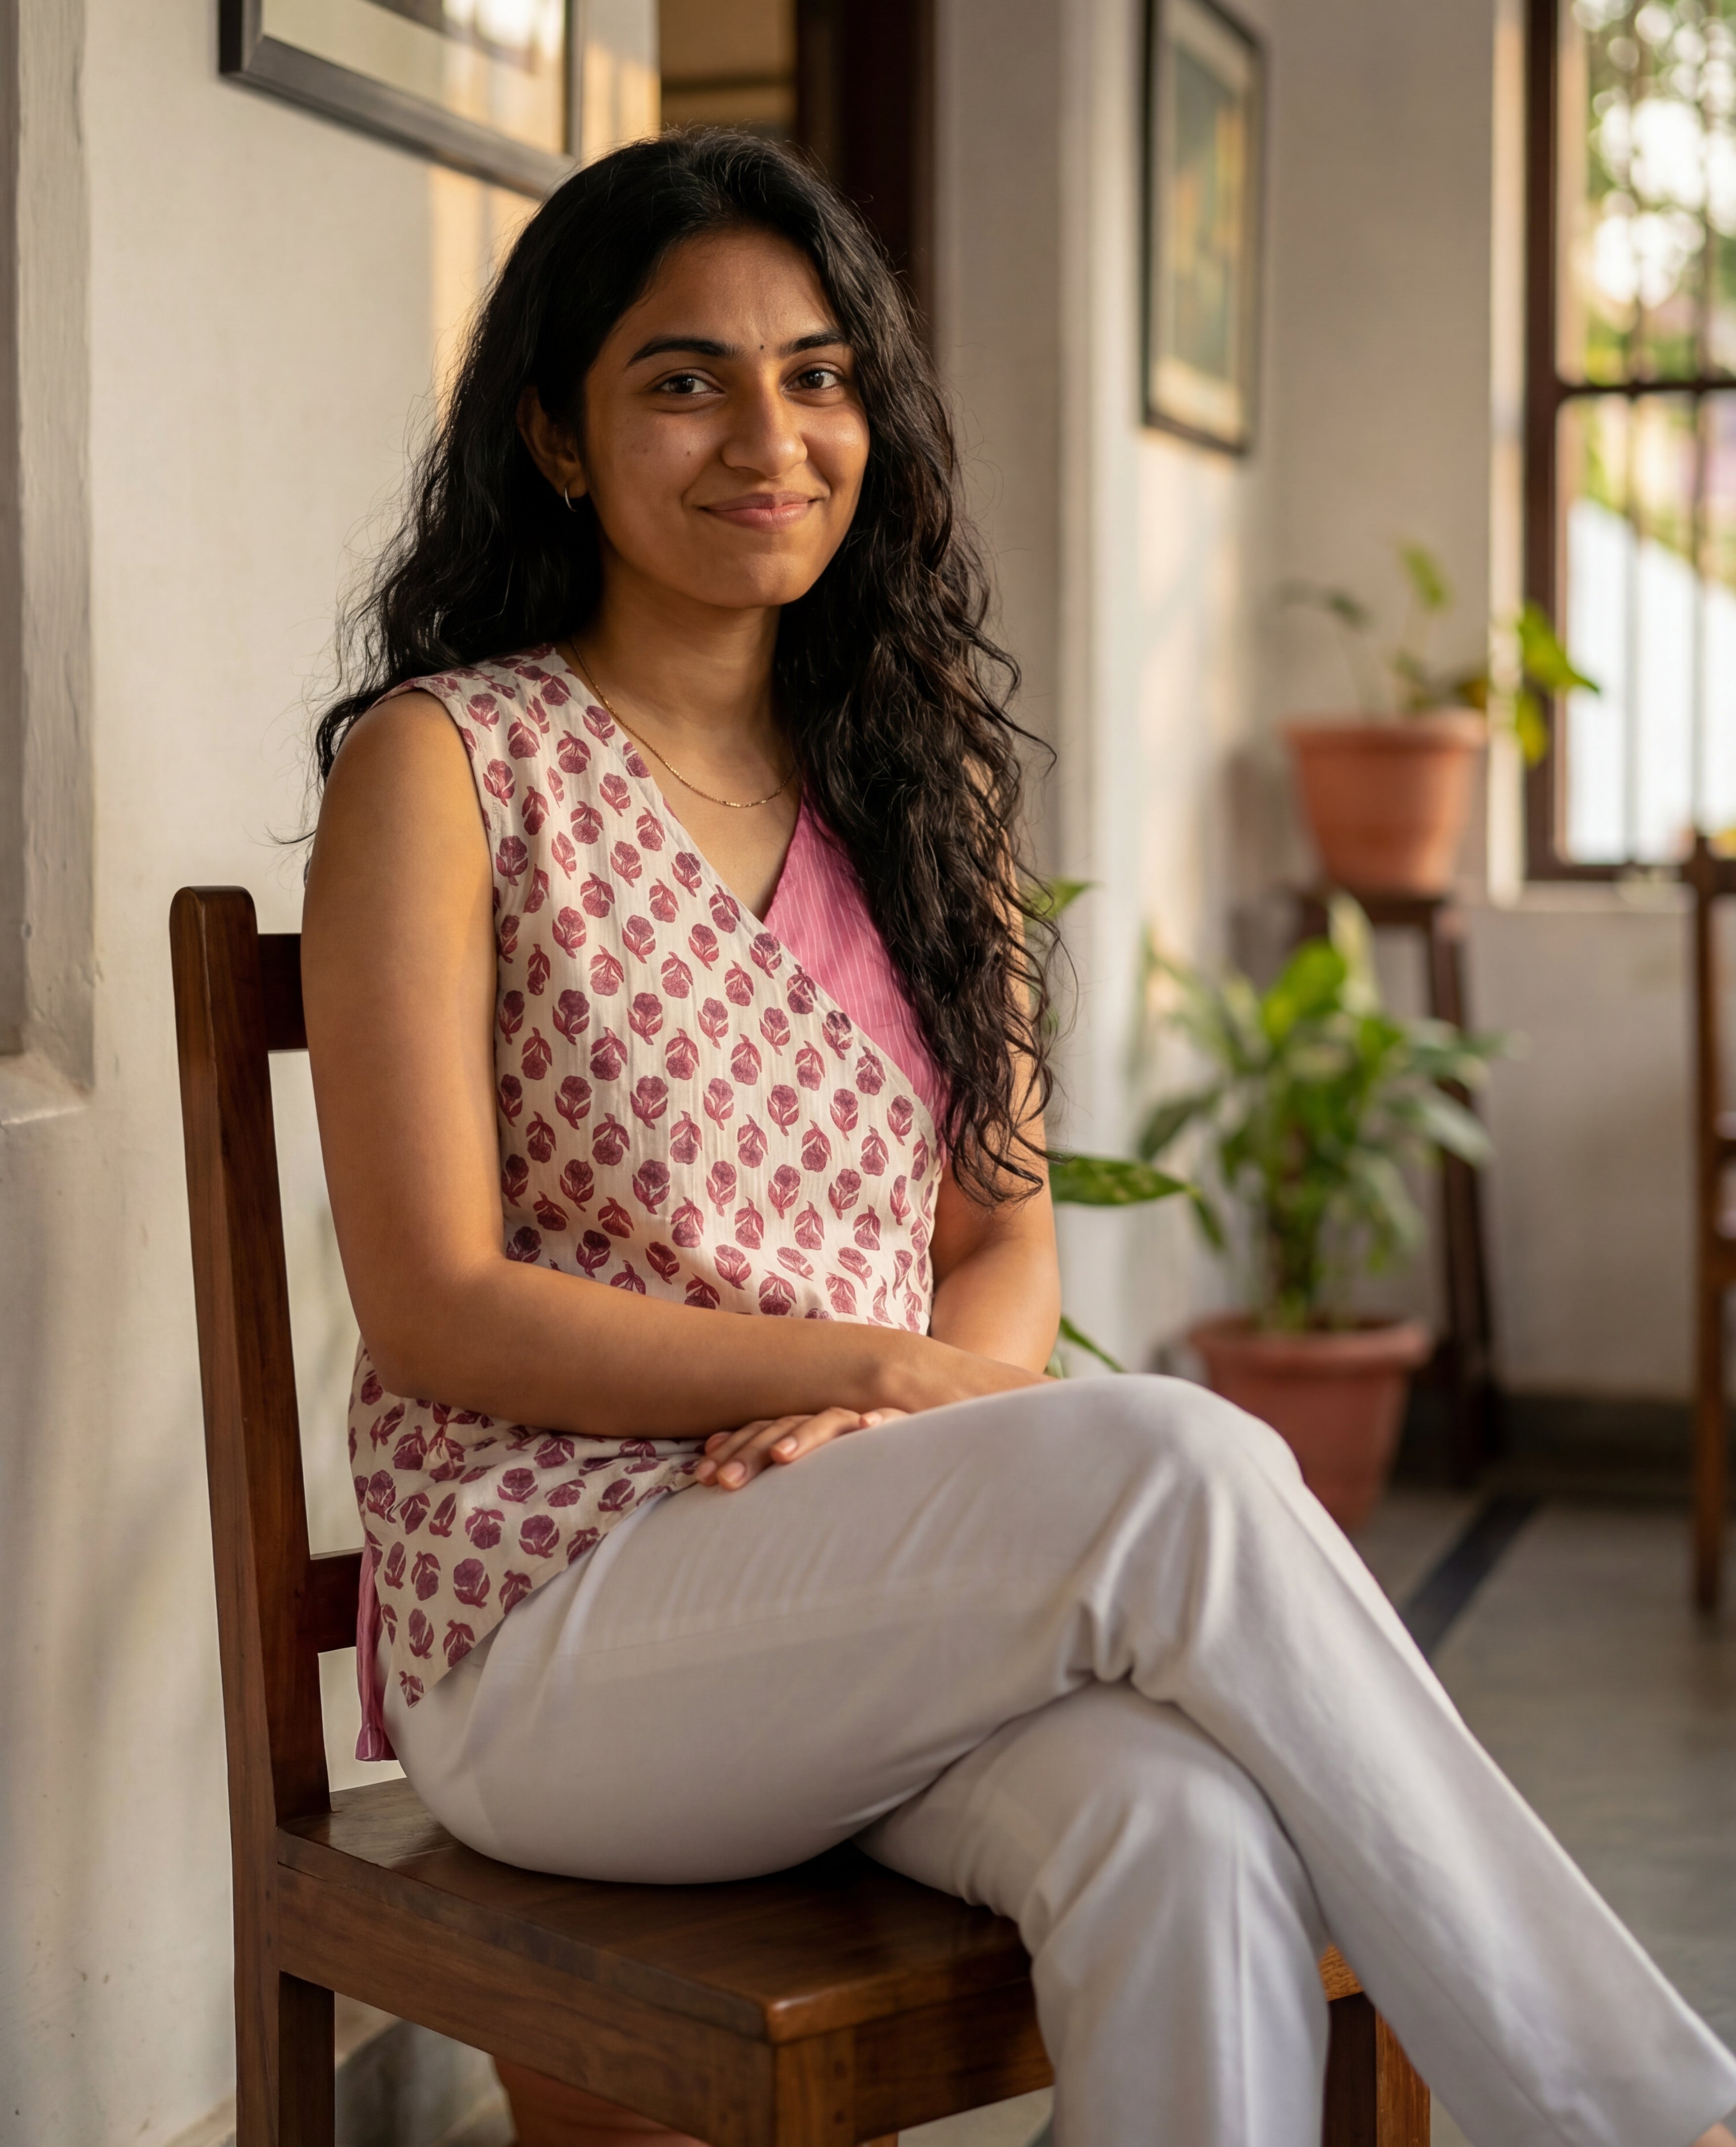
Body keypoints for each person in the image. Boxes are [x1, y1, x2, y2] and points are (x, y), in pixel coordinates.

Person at [301, 130, 1736, 2147]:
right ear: (555, 435)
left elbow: (1003, 1242)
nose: (768, 437)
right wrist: (871, 1374)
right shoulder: (448, 769)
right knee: (1169, 1458)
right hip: (555, 1634)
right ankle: (1634, 2121)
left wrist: (907, 1417)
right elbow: (438, 1305)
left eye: (816, 376)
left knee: (1183, 1835)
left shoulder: (919, 800)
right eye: (683, 379)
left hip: (864, 1582)